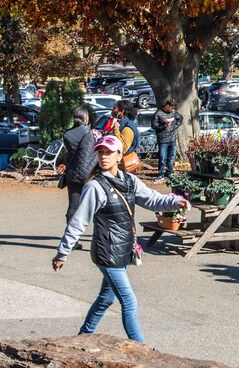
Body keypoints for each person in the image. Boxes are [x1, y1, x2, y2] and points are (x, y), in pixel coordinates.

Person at [52, 135, 190, 343]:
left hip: (123, 249)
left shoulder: (130, 180)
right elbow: (78, 222)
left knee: (106, 299)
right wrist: (63, 252)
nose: (104, 157)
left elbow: (153, 199)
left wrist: (175, 202)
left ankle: (83, 336)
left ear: (119, 156)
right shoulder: (95, 187)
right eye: (100, 153)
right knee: (129, 301)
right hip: (106, 252)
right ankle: (141, 348)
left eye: (108, 152)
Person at [62, 108, 97, 239]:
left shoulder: (67, 135)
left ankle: (71, 238)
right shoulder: (92, 133)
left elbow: (67, 155)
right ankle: (98, 236)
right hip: (91, 174)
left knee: (73, 207)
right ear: (86, 118)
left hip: (73, 173)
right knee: (97, 206)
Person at [152, 99, 181, 183]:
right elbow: (154, 126)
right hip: (163, 139)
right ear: (167, 106)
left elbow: (180, 119)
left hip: (172, 139)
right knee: (162, 158)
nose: (172, 109)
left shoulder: (174, 113)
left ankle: (169, 173)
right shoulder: (158, 114)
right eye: (171, 107)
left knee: (171, 157)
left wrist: (174, 126)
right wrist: (164, 125)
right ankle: (160, 174)